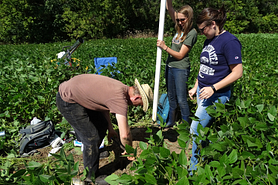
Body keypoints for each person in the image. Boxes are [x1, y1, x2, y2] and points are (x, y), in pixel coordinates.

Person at [56, 74, 153, 183]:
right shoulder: (120, 99)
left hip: (76, 94)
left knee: (102, 124)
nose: (135, 107)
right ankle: (91, 176)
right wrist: (130, 150)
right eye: (138, 104)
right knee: (91, 137)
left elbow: (104, 106)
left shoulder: (120, 87)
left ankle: (95, 152)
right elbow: (125, 135)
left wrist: (110, 129)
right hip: (68, 100)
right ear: (137, 98)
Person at [188, 5, 243, 172]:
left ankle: (193, 170)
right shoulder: (209, 40)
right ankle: (210, 155)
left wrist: (213, 87)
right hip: (203, 92)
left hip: (216, 94)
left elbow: (238, 72)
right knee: (200, 131)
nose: (201, 32)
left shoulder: (229, 41)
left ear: (213, 24)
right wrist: (196, 86)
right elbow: (204, 65)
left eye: (203, 29)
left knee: (195, 130)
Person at [157, 0, 197, 127]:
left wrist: (165, 47)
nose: (180, 22)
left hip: (180, 68)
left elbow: (180, 55)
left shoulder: (192, 33)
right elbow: (169, 8)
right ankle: (171, 121)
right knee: (171, 97)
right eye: (178, 20)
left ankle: (186, 125)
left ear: (189, 18)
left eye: (182, 20)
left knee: (181, 99)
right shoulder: (179, 29)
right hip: (170, 66)